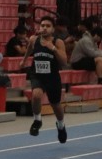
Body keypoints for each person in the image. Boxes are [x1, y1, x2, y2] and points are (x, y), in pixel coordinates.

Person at [19, 15, 68, 143]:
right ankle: (37, 120)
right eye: (42, 25)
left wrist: (53, 48)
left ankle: (61, 125)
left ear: (53, 29)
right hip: (37, 74)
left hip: (52, 77)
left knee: (55, 104)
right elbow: (29, 49)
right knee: (36, 95)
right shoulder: (34, 39)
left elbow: (64, 62)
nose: (45, 28)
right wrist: (24, 60)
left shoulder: (58, 42)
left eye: (48, 26)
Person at [70, 18, 102, 83]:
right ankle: (100, 79)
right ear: (96, 35)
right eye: (100, 38)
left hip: (85, 60)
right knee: (100, 59)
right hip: (77, 62)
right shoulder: (86, 40)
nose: (100, 40)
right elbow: (92, 53)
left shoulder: (92, 41)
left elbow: (96, 51)